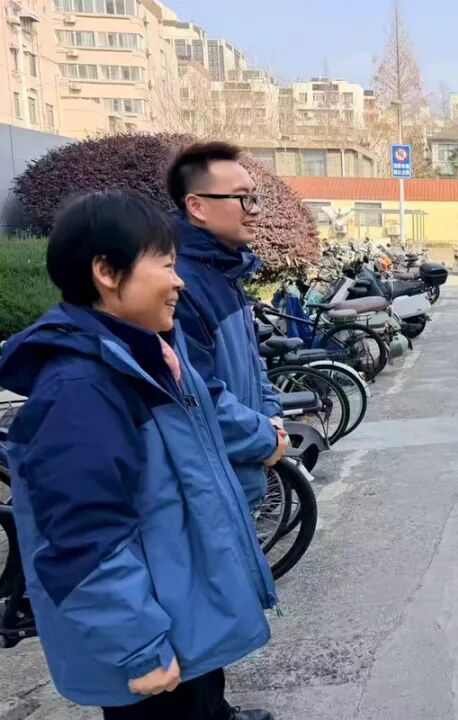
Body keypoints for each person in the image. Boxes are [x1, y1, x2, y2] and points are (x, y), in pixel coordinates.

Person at [0, 191, 279, 719]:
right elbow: (83, 537)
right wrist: (139, 645)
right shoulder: (81, 388)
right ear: (107, 272)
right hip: (151, 636)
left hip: (178, 614)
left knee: (203, 701)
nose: (179, 282)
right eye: (166, 265)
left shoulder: (145, 355)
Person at [166, 141, 286, 508]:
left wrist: (271, 416)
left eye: (255, 198)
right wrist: (265, 437)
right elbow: (197, 396)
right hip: (212, 491)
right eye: (242, 198)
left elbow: (252, 362)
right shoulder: (179, 285)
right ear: (197, 206)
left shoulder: (224, 273)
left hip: (239, 478)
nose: (254, 210)